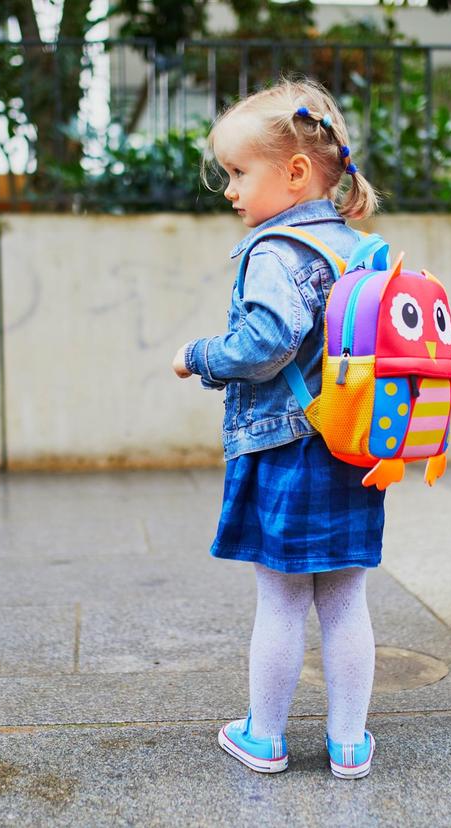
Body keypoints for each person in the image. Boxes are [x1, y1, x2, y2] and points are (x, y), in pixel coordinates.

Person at [171, 78, 384, 779]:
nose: (229, 189)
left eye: (238, 172)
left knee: (284, 599)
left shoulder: (275, 251)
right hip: (354, 447)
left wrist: (199, 356)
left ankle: (265, 737)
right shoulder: (357, 250)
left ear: (295, 173)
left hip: (288, 451)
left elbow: (264, 343)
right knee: (346, 597)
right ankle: (350, 744)